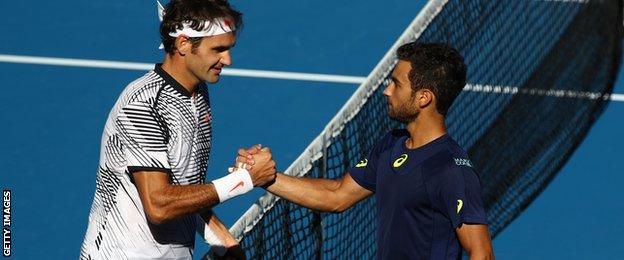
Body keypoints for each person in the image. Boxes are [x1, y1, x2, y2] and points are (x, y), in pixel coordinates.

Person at [238, 43, 494, 259]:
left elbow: (482, 253)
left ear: (423, 97)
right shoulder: (391, 144)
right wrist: (265, 177)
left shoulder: (450, 170)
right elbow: (337, 195)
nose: (386, 91)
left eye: (396, 84)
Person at [80, 1, 276, 259]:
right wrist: (244, 180)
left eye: (229, 49)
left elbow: (184, 188)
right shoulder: (143, 105)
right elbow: (159, 204)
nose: (227, 60)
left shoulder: (197, 93)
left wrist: (223, 240)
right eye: (218, 49)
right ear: (183, 44)